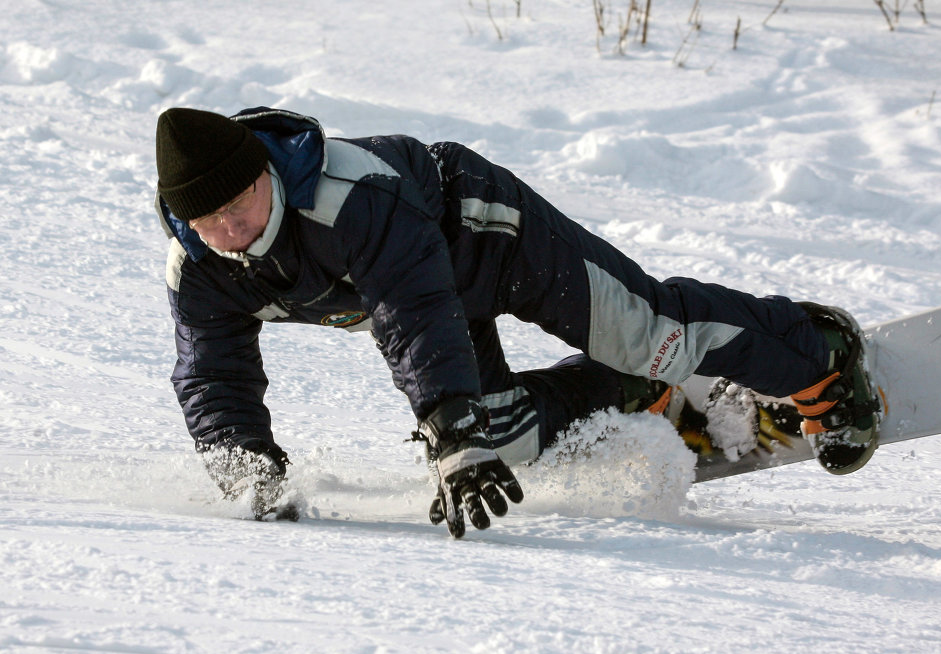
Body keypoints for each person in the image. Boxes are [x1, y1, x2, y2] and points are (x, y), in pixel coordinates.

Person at [156, 106, 880, 537]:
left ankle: (815, 354)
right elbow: (212, 373)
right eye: (206, 218)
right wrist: (249, 476)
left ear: (264, 173)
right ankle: (635, 396)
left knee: (651, 333)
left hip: (487, 234)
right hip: (426, 303)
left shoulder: (348, 194)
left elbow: (412, 314)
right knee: (507, 442)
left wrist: (449, 434)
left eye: (238, 204)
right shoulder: (198, 267)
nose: (228, 228)